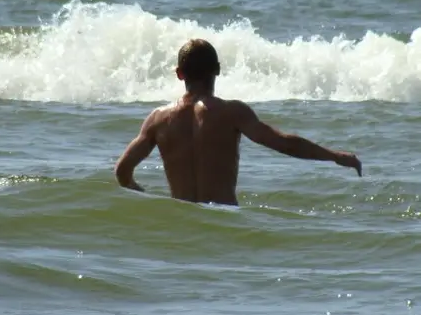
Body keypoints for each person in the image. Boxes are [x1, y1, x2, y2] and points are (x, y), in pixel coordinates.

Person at [114, 39, 362, 206]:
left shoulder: (157, 120)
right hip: (223, 219)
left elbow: (122, 172)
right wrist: (334, 156)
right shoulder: (232, 113)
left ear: (179, 73)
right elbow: (284, 143)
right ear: (218, 69)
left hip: (184, 225)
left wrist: (152, 201)